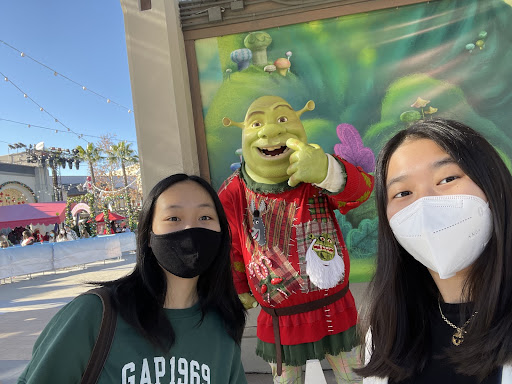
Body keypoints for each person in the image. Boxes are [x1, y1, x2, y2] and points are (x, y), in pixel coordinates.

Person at [18, 173, 248, 383]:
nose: (191, 228)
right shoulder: (93, 315)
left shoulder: (224, 324)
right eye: (174, 218)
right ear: (148, 236)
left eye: (205, 216)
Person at [219, 96, 374, 382]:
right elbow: (232, 248)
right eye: (256, 123)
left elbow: (362, 192)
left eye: (282, 119)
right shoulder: (234, 191)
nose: (270, 132)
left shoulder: (317, 170)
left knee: (351, 378)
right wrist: (240, 286)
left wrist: (328, 172)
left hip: (334, 310)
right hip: (279, 319)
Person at [358, 119, 512, 383]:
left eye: (448, 178)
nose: (425, 204)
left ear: (493, 185)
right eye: (403, 192)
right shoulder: (390, 329)